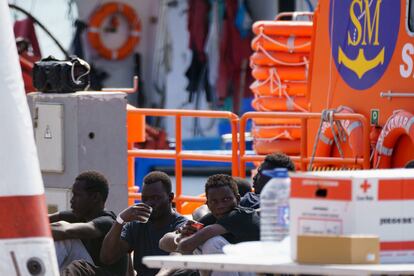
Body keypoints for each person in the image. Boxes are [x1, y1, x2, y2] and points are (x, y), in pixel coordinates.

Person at [159, 174, 259, 276]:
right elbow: (163, 243)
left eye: (226, 199)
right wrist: (181, 235)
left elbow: (187, 244)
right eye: (214, 201)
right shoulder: (212, 218)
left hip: (261, 269)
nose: (220, 206)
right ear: (207, 204)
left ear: (237, 199)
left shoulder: (242, 215)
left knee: (211, 242)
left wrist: (185, 238)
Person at [100, 171, 188, 276]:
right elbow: (107, 258)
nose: (149, 203)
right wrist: (120, 220)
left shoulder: (182, 224)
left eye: (155, 198)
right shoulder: (135, 225)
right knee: (81, 266)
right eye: (145, 199)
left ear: (170, 197)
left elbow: (178, 253)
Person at [49, 170, 127, 275]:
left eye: (77, 195)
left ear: (95, 197)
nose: (72, 200)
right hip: (88, 270)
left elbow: (66, 231)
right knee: (54, 228)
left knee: (62, 230)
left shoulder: (108, 222)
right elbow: (42, 220)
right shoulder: (79, 216)